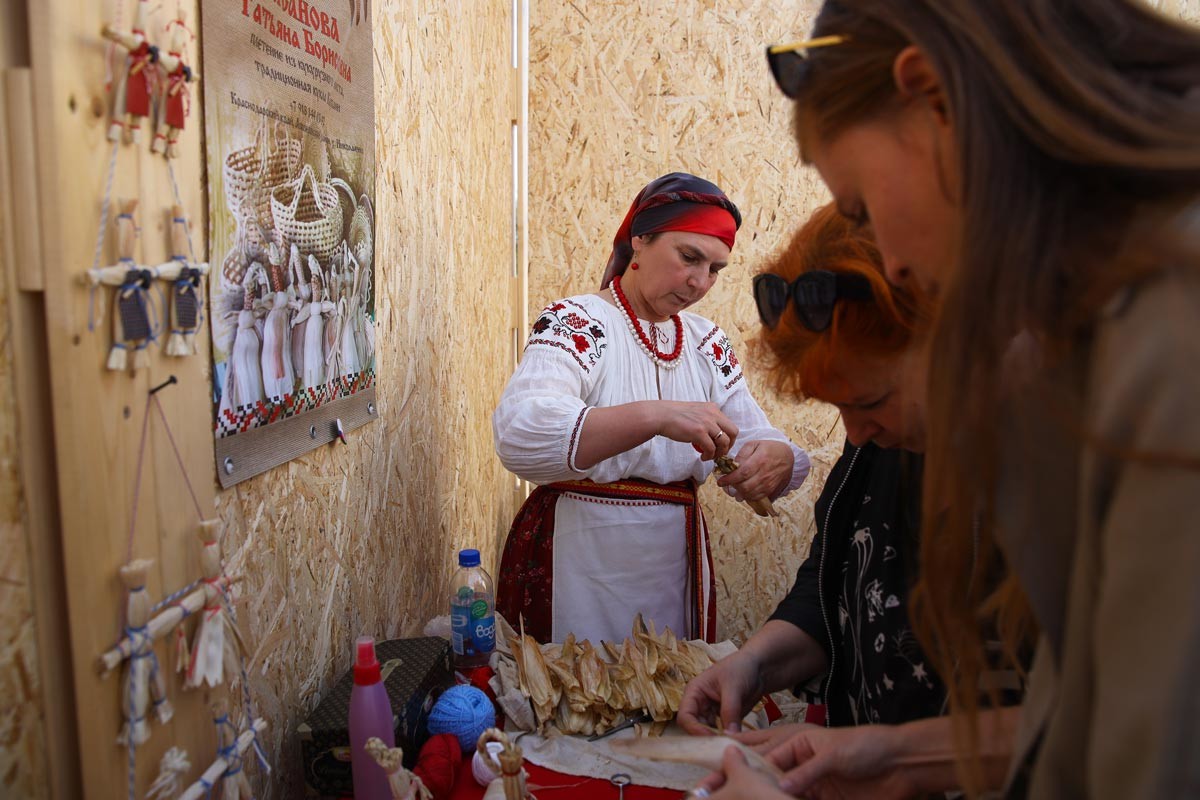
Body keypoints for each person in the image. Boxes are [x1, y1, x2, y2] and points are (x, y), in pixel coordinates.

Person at [706, 2, 1200, 798]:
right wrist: (897, 757)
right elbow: (1086, 717)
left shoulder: (1168, 329)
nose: (894, 264)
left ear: (932, 94)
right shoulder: (1112, 326)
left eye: (862, 207)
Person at [493, 172, 811, 645]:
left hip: (671, 565)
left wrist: (778, 461)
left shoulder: (706, 343)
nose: (700, 282)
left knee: (667, 698)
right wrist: (656, 416)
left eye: (716, 269)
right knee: (580, 700)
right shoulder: (577, 322)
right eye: (689, 257)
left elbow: (753, 436)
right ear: (639, 240)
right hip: (579, 561)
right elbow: (522, 432)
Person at [678, 204, 944, 741]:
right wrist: (754, 663)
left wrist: (890, 757)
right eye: (837, 406)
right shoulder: (875, 447)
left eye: (872, 400)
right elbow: (831, 582)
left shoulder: (1042, 478)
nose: (857, 432)